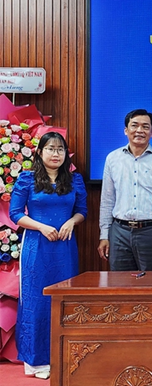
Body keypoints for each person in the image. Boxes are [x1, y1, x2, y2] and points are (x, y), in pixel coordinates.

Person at [9, 132, 87, 379]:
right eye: (51, 149)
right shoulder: (27, 179)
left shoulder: (74, 180)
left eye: (60, 149)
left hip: (65, 248)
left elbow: (82, 211)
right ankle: (37, 362)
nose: (56, 154)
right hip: (36, 247)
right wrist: (41, 227)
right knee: (36, 302)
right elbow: (15, 214)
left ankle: (63, 357)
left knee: (64, 300)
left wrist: (72, 222)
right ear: (40, 152)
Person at [98, 109, 152, 271]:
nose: (139, 130)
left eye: (145, 127)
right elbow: (107, 200)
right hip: (119, 232)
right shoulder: (112, 159)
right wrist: (104, 235)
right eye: (134, 125)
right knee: (119, 281)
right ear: (126, 130)